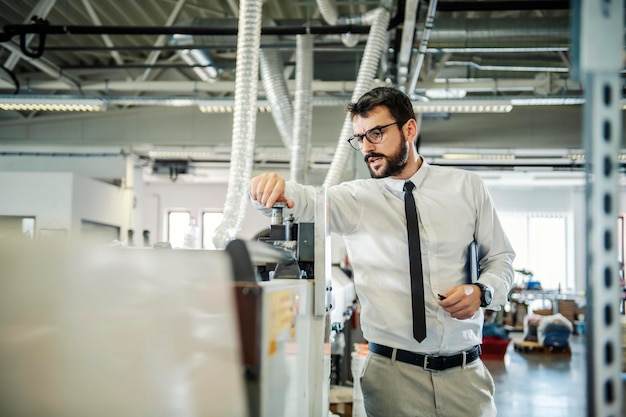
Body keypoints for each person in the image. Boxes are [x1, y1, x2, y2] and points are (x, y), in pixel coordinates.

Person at [249, 86, 515, 417]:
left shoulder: (466, 188)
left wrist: (483, 291)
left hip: (465, 376)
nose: (367, 148)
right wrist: (272, 190)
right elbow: (304, 202)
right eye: (360, 138)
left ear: (409, 129)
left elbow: (502, 258)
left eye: (376, 133)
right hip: (392, 377)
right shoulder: (355, 199)